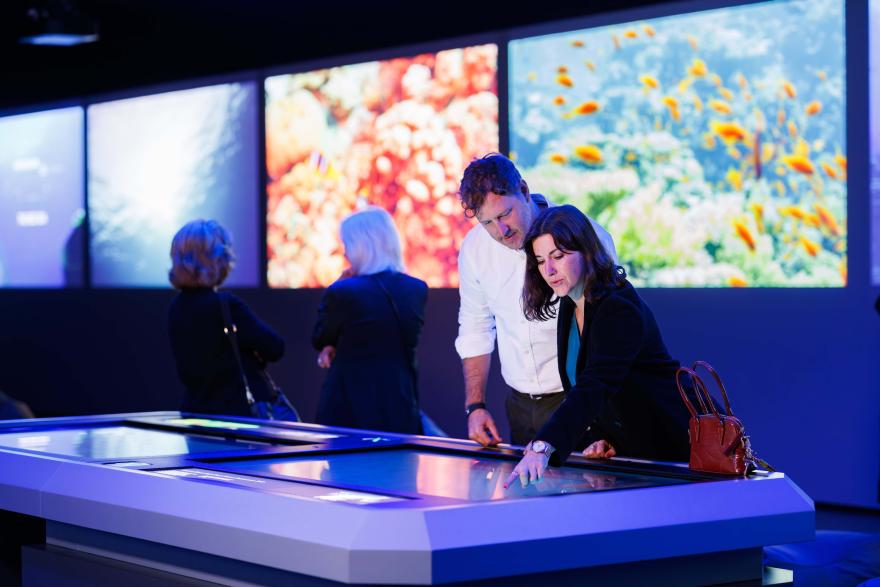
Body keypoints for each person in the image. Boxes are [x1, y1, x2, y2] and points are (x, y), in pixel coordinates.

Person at [505, 205, 691, 488]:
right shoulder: (570, 302)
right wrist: (599, 436)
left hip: (673, 449)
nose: (549, 270)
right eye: (541, 261)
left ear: (586, 251)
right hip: (635, 453)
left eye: (558, 256)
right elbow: (586, 384)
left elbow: (597, 383)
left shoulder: (618, 306)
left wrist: (544, 445)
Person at [456, 153, 617, 447]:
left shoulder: (584, 234)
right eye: (487, 222)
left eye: (505, 214)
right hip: (519, 406)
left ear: (525, 191)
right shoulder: (474, 249)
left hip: (578, 401)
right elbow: (474, 327)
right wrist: (475, 406)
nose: (500, 231)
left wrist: (602, 419)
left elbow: (608, 335)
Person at [313, 206, 428, 435]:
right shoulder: (417, 289)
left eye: (346, 245)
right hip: (400, 408)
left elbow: (320, 337)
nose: (345, 253)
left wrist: (331, 345)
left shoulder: (344, 291)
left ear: (360, 247)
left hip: (347, 413)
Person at [167, 219, 287, 417]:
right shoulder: (225, 305)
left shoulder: (176, 308)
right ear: (218, 260)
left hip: (195, 416)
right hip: (238, 420)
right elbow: (275, 347)